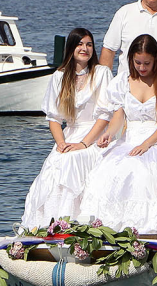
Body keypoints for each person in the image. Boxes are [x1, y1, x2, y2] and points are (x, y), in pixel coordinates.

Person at [78, 35, 157, 236]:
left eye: (147, 63)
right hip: (129, 139)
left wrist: (147, 144)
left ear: (155, 60)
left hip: (156, 140)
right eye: (138, 63)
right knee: (108, 170)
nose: (142, 67)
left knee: (141, 171)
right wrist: (109, 134)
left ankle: (143, 230)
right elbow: (119, 116)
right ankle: (109, 229)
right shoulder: (123, 82)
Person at [20, 28, 112, 229]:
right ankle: (51, 226)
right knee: (58, 162)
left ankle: (81, 223)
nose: (85, 49)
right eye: (80, 44)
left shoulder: (101, 73)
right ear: (71, 48)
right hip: (70, 133)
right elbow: (53, 117)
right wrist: (60, 143)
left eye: (89, 45)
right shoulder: (59, 77)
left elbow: (105, 115)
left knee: (74, 160)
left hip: (93, 135)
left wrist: (84, 143)